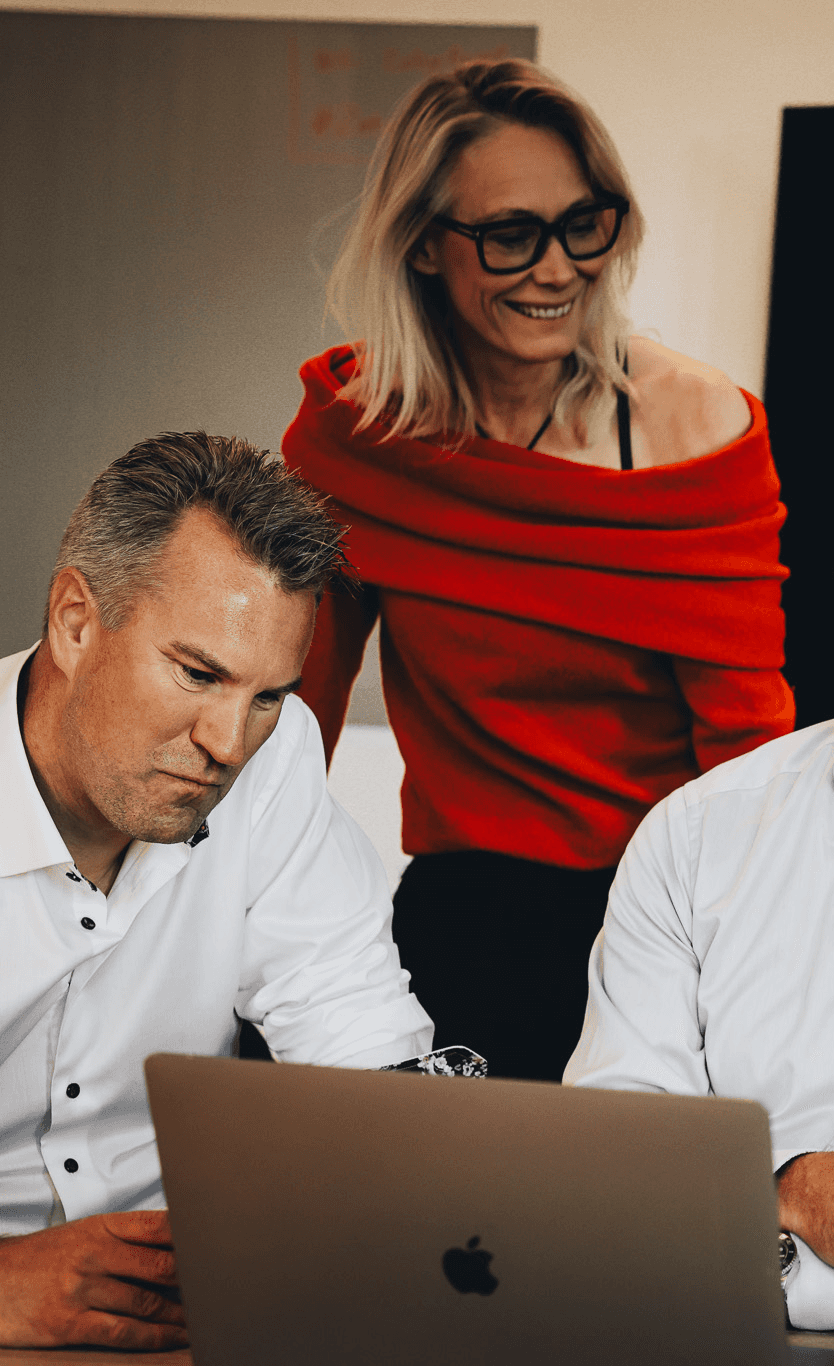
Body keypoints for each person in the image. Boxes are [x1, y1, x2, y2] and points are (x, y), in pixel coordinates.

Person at [281, 57, 794, 1082]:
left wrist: (770, 991)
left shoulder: (698, 429)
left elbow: (750, 769)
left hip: (664, 921)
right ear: (425, 245)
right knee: (445, 1229)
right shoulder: (358, 441)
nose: (558, 268)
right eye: (511, 234)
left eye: (584, 223)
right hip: (463, 911)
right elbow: (293, 722)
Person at [0, 431, 432, 1351]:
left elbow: (362, 1052)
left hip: (188, 1323)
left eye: (268, 694)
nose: (229, 743)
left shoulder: (273, 767)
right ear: (76, 621)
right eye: (197, 674)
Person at [562, 719, 834, 1330]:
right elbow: (614, 1157)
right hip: (729, 1339)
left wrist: (743, 1214)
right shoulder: (698, 833)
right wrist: (788, 1182)